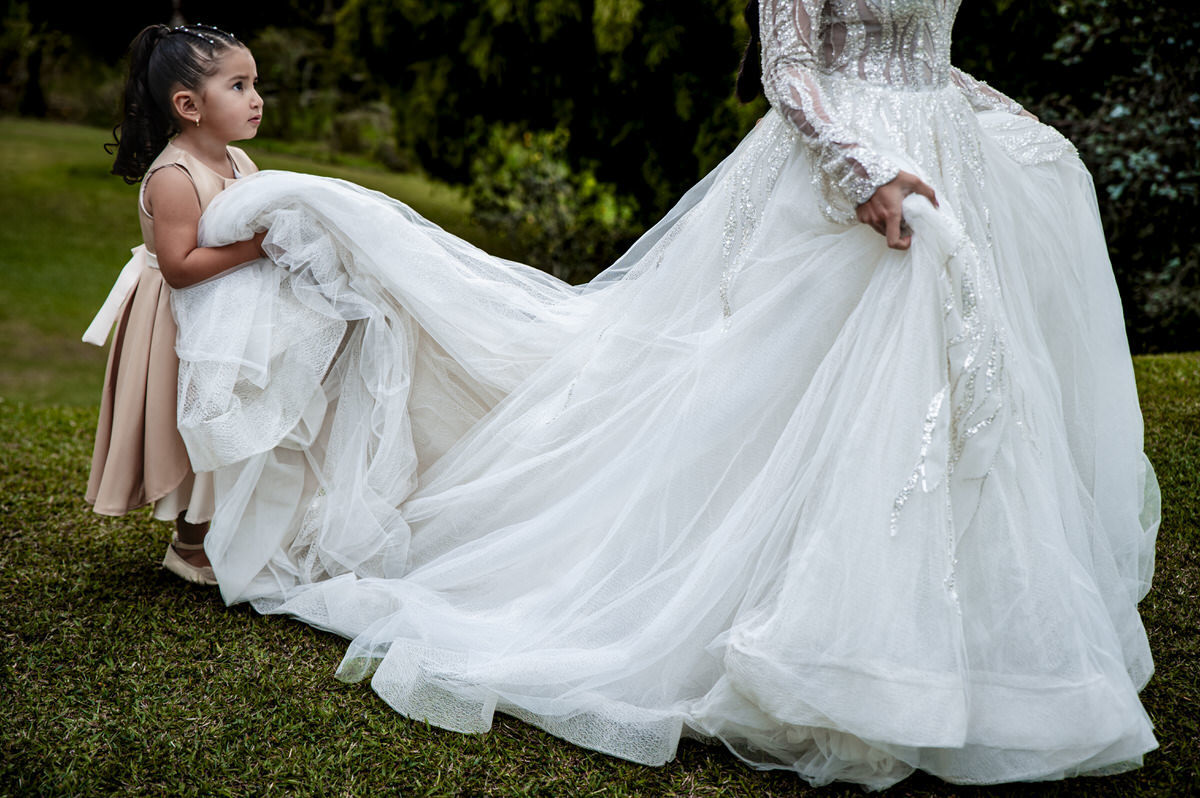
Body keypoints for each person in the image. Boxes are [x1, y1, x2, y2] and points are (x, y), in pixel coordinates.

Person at [171, 0, 1159, 788]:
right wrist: (862, 169)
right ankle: (817, 643)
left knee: (954, 395)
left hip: (945, 157)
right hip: (848, 177)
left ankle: (966, 652)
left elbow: (921, 54)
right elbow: (791, 67)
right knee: (819, 398)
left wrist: (1002, 117)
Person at [83, 23, 265, 586]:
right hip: (177, 322)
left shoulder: (240, 163)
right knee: (188, 421)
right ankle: (190, 545)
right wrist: (256, 247)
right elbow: (182, 268)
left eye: (257, 84)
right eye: (238, 86)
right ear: (189, 105)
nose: (256, 99)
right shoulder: (174, 175)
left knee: (232, 414)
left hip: (230, 315)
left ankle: (230, 526)